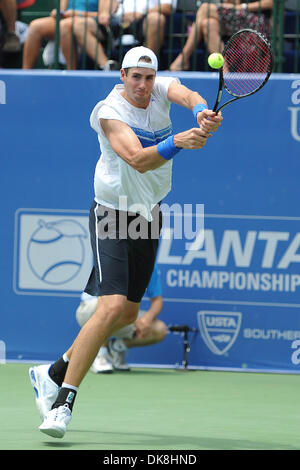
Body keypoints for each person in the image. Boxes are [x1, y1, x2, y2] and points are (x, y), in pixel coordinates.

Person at [29, 45, 222, 438]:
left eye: (149, 78)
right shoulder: (108, 112)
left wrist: (200, 107)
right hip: (112, 213)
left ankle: (51, 373)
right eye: (136, 77)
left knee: (129, 315)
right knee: (111, 305)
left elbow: (183, 92)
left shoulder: (158, 89)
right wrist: (181, 141)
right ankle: (62, 403)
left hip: (149, 212)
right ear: (122, 76)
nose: (143, 85)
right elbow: (138, 158)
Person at [76, 263, 166, 373]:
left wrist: (146, 319)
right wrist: (132, 316)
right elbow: (106, 299)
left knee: (159, 329)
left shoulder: (148, 261)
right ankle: (100, 354)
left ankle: (116, 347)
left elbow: (157, 301)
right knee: (110, 309)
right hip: (89, 310)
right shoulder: (112, 252)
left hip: (122, 311)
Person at [170, 0, 273, 71]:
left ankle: (183, 58)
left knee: (205, 8)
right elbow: (232, 3)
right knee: (208, 23)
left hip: (258, 21)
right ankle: (224, 70)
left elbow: (270, 3)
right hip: (238, 18)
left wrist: (241, 7)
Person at [72, 0, 176, 70]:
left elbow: (168, 7)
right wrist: (105, 13)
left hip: (144, 18)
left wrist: (141, 13)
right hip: (117, 19)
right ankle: (107, 66)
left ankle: (147, 66)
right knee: (80, 25)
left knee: (156, 19)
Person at [22, 0, 100, 70]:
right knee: (35, 26)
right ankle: (25, 75)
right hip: (66, 20)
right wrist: (58, 13)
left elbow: (105, 15)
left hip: (89, 22)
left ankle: (72, 74)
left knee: (64, 26)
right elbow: (62, 10)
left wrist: (78, 14)